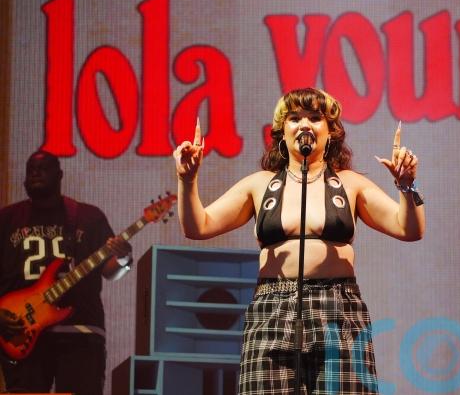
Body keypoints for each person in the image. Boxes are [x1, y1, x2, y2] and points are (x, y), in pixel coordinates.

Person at [174, 87, 425, 394]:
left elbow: (409, 229)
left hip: (337, 308)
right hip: (273, 308)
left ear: (330, 132)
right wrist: (187, 180)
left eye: (315, 118)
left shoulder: (350, 184)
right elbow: (198, 226)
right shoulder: (260, 185)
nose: (304, 124)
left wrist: (406, 187)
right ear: (282, 131)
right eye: (294, 118)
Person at [0, 150, 133, 395]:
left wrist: (123, 258)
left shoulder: (88, 216)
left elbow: (110, 272)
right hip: (21, 333)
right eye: (30, 170)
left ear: (60, 175)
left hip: (80, 332)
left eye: (43, 168)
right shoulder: (6, 220)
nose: (35, 173)